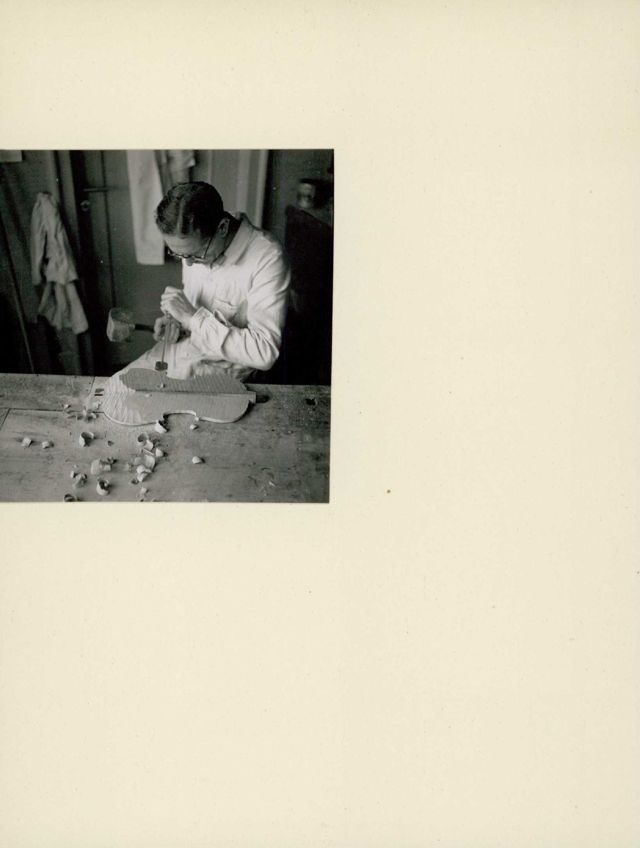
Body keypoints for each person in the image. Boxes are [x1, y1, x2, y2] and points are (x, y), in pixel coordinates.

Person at [122, 181, 290, 382]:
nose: (188, 263)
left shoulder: (268, 257)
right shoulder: (193, 247)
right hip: (180, 350)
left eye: (195, 254)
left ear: (222, 227)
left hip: (221, 371)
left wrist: (193, 318)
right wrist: (178, 323)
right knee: (112, 391)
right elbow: (194, 311)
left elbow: (264, 353)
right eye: (179, 254)